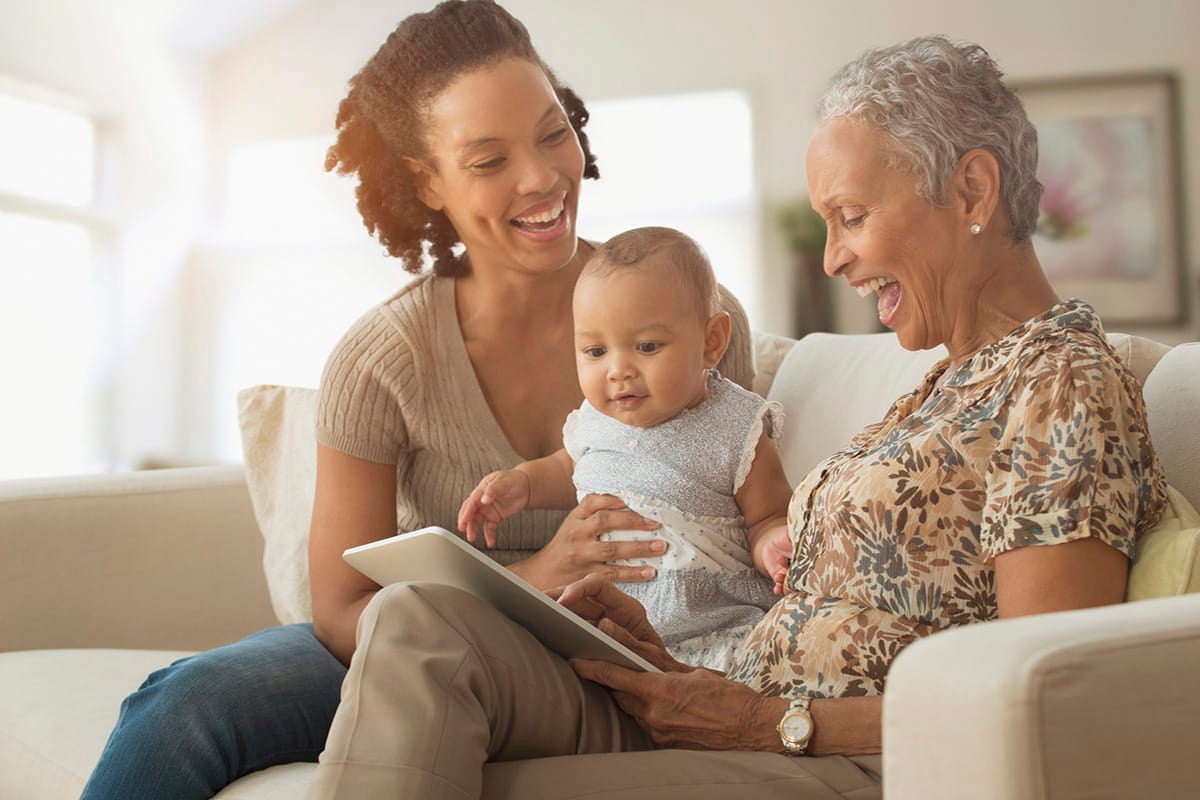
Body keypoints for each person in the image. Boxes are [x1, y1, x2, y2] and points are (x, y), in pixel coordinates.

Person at [308, 35, 1167, 800]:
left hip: (820, 758)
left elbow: (1040, 686)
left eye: (852, 217)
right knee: (416, 621)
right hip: (707, 695)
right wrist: (671, 660)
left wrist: (771, 723)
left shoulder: (1060, 381)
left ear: (971, 188)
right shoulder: (945, 385)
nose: (833, 256)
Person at [79, 3, 756, 798]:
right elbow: (339, 608)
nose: (540, 177)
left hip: (642, 638)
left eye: (551, 133)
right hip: (422, 644)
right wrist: (529, 580)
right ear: (425, 181)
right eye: (487, 160)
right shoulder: (382, 361)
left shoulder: (695, 317)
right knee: (180, 706)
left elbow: (749, 502)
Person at [458, 226, 793, 671]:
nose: (619, 371)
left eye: (647, 346)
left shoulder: (737, 426)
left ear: (712, 341)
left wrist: (774, 543)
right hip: (607, 631)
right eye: (596, 351)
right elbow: (570, 467)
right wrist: (522, 484)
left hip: (710, 628)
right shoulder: (594, 421)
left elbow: (769, 515)